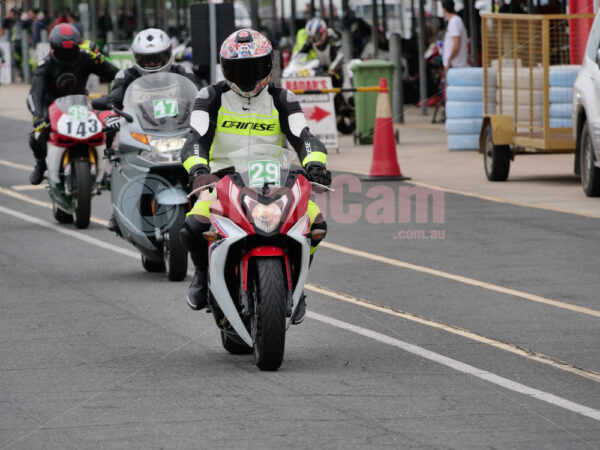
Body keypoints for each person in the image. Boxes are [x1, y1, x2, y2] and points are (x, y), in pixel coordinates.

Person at [179, 29, 331, 324]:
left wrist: (315, 165)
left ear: (269, 65)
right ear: (225, 68)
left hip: (275, 180)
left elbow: (305, 137)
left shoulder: (282, 98)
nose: (247, 76)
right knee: (194, 226)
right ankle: (202, 275)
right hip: (221, 180)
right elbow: (195, 138)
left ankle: (296, 288)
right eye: (239, 68)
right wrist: (198, 170)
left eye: (254, 67)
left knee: (316, 224)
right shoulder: (209, 96)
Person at [104, 28, 202, 232]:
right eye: (146, 59)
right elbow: (114, 98)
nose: (153, 64)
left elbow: (200, 97)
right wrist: (112, 116)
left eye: (158, 58)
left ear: (169, 54)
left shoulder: (184, 72)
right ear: (136, 58)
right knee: (113, 136)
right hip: (143, 128)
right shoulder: (126, 75)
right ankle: (113, 177)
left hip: (179, 127)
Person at [26, 24, 119, 185]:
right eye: (64, 53)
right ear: (54, 49)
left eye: (71, 52)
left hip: (81, 107)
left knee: (109, 126)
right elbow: (34, 94)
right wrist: (38, 116)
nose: (68, 57)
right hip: (52, 110)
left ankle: (105, 165)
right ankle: (41, 164)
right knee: (36, 137)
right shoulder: (44, 65)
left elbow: (116, 75)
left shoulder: (85, 57)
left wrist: (100, 58)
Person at [293, 17, 344, 87]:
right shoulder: (311, 41)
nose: (314, 39)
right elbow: (301, 52)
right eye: (312, 37)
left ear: (323, 32)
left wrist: (332, 68)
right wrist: (294, 66)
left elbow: (340, 55)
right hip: (323, 71)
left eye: (316, 36)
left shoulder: (332, 36)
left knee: (347, 94)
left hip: (338, 70)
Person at [441, 0, 468, 73]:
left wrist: (449, 60)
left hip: (456, 66)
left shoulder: (454, 22)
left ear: (444, 9)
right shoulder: (455, 20)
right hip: (455, 66)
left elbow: (456, 44)